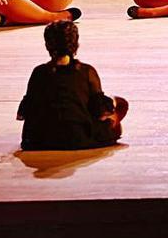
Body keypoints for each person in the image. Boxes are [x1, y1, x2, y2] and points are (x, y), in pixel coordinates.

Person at [17, 20, 128, 150]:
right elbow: (100, 111)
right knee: (119, 105)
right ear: (75, 44)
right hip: (78, 138)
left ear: (48, 45)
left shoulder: (39, 72)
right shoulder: (87, 71)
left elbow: (24, 112)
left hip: (39, 140)